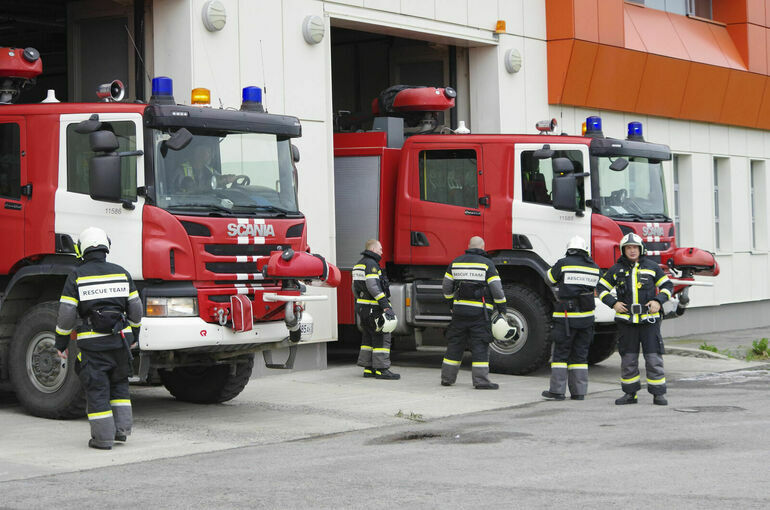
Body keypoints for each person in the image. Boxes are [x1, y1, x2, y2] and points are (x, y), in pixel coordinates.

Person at [55, 227, 143, 449]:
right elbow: (136, 309)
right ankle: (121, 432)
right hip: (121, 342)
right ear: (106, 246)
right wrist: (135, 333)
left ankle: (103, 438)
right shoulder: (121, 272)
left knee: (97, 389)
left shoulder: (77, 275)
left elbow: (66, 315)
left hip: (93, 346)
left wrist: (61, 343)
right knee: (120, 386)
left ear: (82, 250)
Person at [598, 232, 674, 406]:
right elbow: (601, 288)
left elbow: (667, 285)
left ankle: (658, 394)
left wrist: (658, 301)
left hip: (649, 322)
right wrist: (613, 303)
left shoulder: (652, 266)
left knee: (654, 358)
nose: (632, 251)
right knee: (628, 360)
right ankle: (630, 394)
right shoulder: (616, 269)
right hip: (627, 323)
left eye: (635, 248)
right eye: (628, 248)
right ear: (623, 250)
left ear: (641, 249)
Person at [441, 236, 507, 389]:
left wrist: (451, 302)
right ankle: (481, 381)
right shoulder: (487, 264)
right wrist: (502, 309)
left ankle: (447, 378)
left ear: (468, 246)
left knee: (455, 344)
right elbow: (496, 289)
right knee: (480, 345)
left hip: (459, 312)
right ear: (483, 247)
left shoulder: (456, 262)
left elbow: (446, 287)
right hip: (480, 313)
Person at [541, 236, 600, 401]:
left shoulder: (563, 263)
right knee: (580, 356)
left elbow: (549, 279)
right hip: (587, 318)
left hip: (565, 318)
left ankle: (557, 391)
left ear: (569, 249)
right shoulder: (594, 267)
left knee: (560, 354)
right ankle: (579, 392)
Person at [352, 239, 400, 380]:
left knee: (368, 336)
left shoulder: (358, 265)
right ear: (373, 249)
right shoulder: (372, 265)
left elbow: (354, 288)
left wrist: (361, 302)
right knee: (382, 336)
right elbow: (373, 287)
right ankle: (381, 370)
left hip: (362, 307)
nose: (382, 251)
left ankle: (368, 368)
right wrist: (385, 305)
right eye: (380, 249)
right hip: (374, 308)